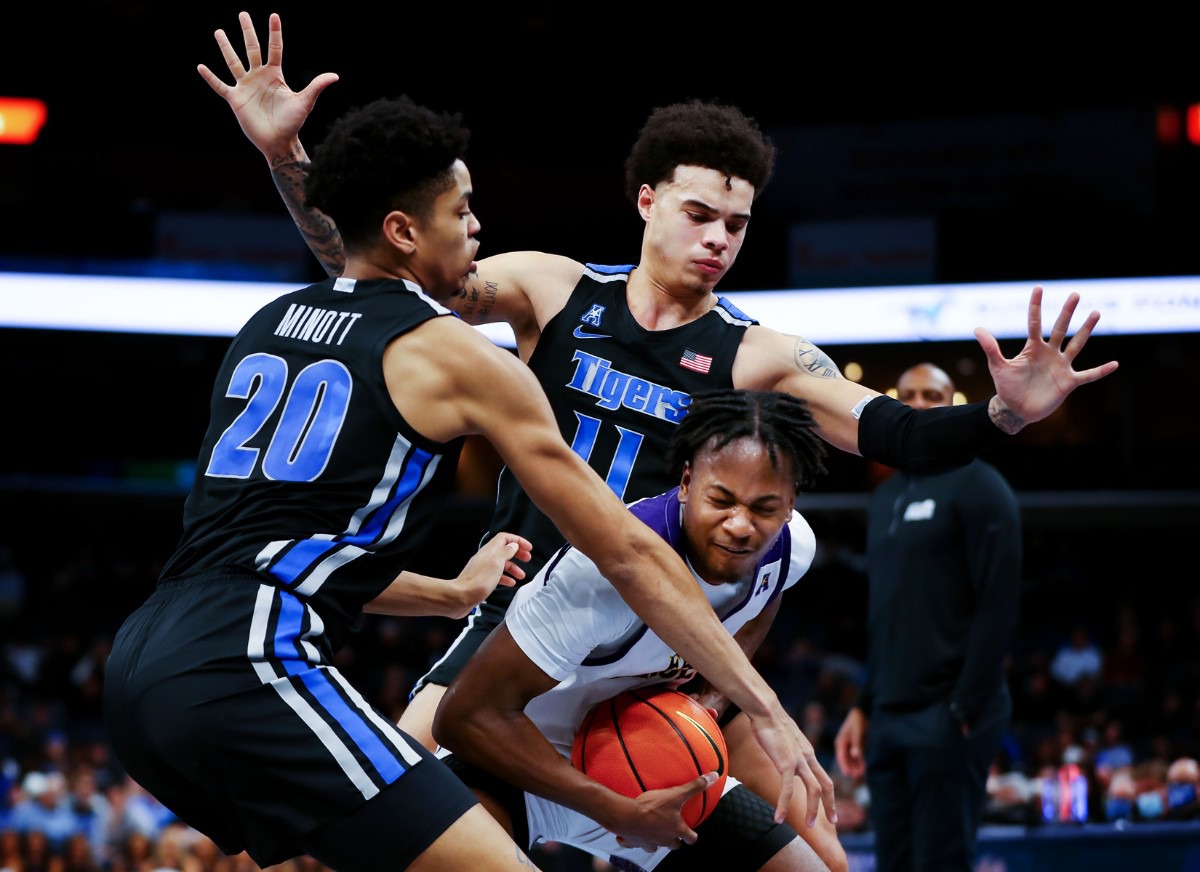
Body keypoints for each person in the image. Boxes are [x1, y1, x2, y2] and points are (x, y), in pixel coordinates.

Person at [205, 6, 1117, 847]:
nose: (719, 238)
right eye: (698, 214)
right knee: (393, 834)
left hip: (644, 639)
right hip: (515, 619)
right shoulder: (552, 288)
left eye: (737, 223)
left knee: (807, 844)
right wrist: (287, 162)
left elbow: (897, 436)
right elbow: (376, 262)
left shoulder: (758, 352)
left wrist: (1003, 413)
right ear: (646, 202)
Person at [102, 25, 839, 871]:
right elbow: (631, 551)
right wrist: (766, 707)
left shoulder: (269, 322)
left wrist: (451, 593)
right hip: (252, 661)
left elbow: (293, 546)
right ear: (409, 231)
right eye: (462, 211)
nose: (479, 227)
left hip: (144, 660)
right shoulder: (450, 351)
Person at [433, 389, 834, 871]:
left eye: (764, 508)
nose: (740, 526)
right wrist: (610, 806)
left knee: (823, 865)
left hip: (656, 758)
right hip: (522, 764)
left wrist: (702, 707)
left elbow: (764, 600)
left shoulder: (790, 548)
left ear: (789, 506)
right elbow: (462, 716)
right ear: (687, 481)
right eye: (721, 500)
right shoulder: (597, 576)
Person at [833, 362, 1023, 872]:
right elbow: (886, 616)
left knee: (941, 860)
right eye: (908, 394)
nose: (917, 404)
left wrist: (963, 707)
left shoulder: (982, 486)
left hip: (949, 711)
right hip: (889, 714)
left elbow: (998, 604)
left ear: (954, 405)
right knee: (892, 860)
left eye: (932, 395)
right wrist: (864, 707)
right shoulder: (886, 497)